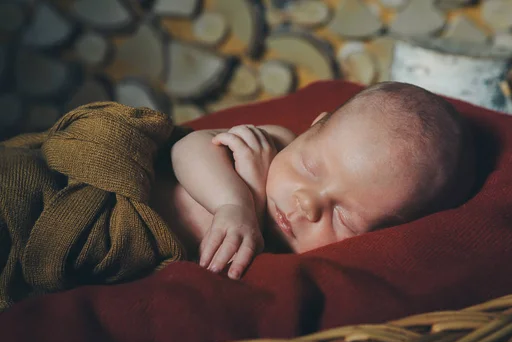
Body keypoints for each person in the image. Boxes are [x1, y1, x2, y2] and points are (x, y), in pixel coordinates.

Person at [152, 81, 476, 280]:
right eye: (309, 168)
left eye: (344, 218)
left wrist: (258, 212)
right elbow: (187, 149)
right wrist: (235, 202)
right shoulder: (271, 144)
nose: (308, 202)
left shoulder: (296, 262)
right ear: (311, 129)